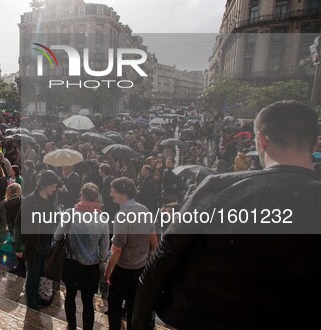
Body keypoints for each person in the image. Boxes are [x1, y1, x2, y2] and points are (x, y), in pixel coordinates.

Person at [132, 101, 321, 330]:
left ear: (261, 140)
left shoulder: (218, 189)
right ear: (315, 144)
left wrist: (140, 322)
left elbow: (162, 260)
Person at [54, 183, 109, 330]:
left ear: (82, 195)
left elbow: (57, 235)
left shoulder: (70, 213)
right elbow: (104, 252)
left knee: (70, 295)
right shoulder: (103, 219)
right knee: (88, 300)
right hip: (91, 267)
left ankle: (71, 325)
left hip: (71, 263)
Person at [105, 177, 157, 330]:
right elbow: (152, 235)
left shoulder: (122, 215)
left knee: (114, 304)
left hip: (124, 268)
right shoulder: (144, 209)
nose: (110, 195)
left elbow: (117, 248)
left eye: (113, 192)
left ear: (124, 194)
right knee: (133, 304)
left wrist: (108, 271)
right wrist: (154, 255)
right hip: (141, 266)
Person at [14, 170, 60, 310]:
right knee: (33, 274)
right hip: (34, 244)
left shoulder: (52, 199)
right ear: (44, 185)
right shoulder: (29, 200)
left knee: (41, 273)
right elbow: (18, 223)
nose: (54, 189)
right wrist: (18, 247)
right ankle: (32, 303)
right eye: (52, 186)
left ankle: (37, 296)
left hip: (47, 242)